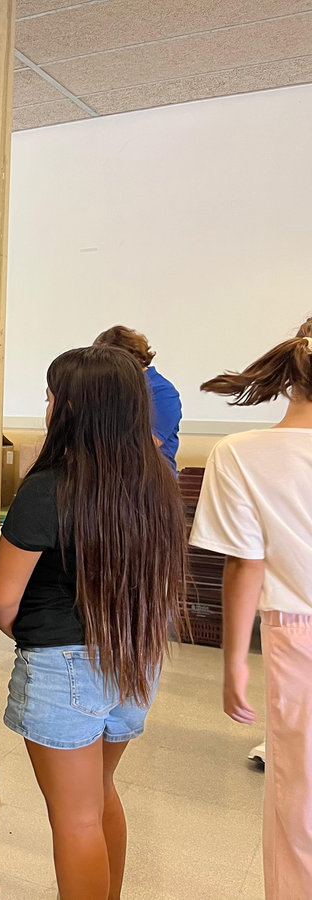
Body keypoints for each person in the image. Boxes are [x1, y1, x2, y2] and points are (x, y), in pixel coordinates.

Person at [0, 346, 187, 899]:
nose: (47, 407)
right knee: (100, 795)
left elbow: (1, 598)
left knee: (74, 819)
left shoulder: (49, 485)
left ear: (71, 406)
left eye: (50, 397)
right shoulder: (156, 481)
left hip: (64, 666)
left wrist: (36, 636)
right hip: (134, 657)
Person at [190, 321, 312, 897]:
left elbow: (246, 564)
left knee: (300, 806)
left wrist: (234, 662)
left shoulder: (240, 454)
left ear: (291, 375)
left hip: (296, 634)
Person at [94, 325, 182, 474]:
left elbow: (145, 445)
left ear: (136, 358)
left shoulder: (162, 392)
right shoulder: (107, 387)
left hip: (150, 479)